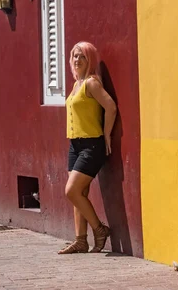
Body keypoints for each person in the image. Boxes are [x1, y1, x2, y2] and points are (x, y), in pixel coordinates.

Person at [58, 41, 117, 254]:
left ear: (89, 59)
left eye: (81, 56)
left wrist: (107, 134)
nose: (77, 60)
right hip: (74, 144)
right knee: (79, 192)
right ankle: (81, 240)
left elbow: (110, 106)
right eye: (74, 56)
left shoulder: (91, 83)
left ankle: (99, 229)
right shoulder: (76, 84)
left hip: (92, 144)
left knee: (71, 191)